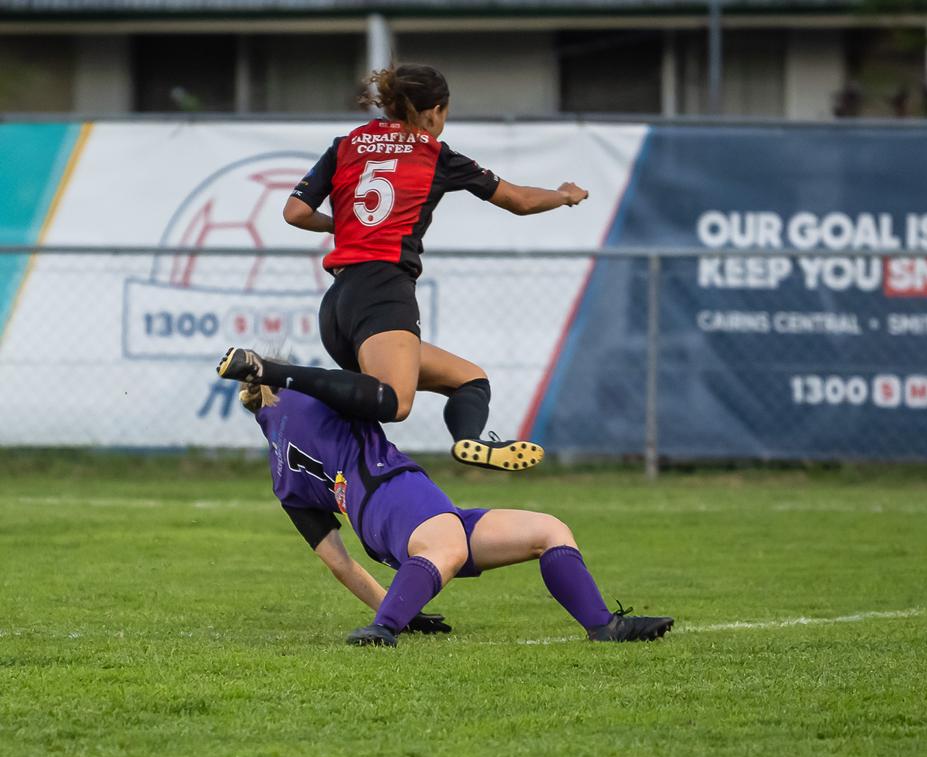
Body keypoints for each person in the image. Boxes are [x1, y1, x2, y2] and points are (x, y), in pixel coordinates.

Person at [266, 62, 588, 471]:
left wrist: (343, 224)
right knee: (395, 402)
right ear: (434, 110)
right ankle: (278, 374)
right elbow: (520, 201)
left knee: (469, 379)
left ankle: (468, 442)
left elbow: (295, 212)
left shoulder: (346, 144)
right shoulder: (435, 153)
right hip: (383, 291)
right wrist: (563, 195)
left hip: (339, 303)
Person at [229, 372, 674, 647]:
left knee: (548, 531)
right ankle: (383, 631)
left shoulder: (280, 473)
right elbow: (387, 389)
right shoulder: (314, 393)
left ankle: (603, 627)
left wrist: (400, 603)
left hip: (390, 521)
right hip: (394, 490)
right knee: (447, 546)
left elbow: (340, 564)